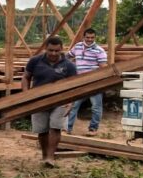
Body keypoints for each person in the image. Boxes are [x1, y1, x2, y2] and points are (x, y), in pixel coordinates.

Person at [22, 36, 77, 167]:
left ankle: (51, 157)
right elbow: (26, 77)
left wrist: (71, 101)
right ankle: (44, 155)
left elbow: (75, 85)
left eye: (56, 51)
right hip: (38, 100)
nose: (53, 53)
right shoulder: (35, 61)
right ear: (46, 48)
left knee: (55, 127)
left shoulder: (69, 65)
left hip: (60, 101)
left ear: (61, 49)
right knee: (42, 130)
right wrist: (25, 95)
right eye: (50, 50)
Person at [66, 28, 108, 136]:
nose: (90, 39)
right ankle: (67, 128)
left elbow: (103, 67)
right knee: (73, 105)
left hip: (94, 82)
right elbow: (68, 56)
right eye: (87, 37)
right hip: (79, 82)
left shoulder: (99, 50)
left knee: (96, 106)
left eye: (92, 37)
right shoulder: (78, 46)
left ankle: (93, 129)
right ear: (83, 37)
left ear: (95, 37)